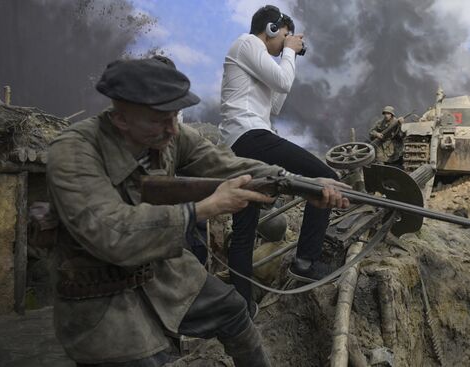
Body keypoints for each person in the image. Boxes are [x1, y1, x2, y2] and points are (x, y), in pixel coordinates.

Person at [46, 58, 348, 367]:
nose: (173, 128)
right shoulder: (73, 151)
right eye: (160, 119)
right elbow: (112, 233)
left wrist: (297, 183)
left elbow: (228, 165)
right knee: (145, 358)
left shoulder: (170, 136)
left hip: (164, 273)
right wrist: (206, 208)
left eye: (176, 115)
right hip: (100, 295)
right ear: (121, 118)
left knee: (233, 311)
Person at [218, 5, 341, 314]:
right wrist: (288, 51)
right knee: (324, 177)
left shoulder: (257, 59)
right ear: (271, 29)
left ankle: (242, 305)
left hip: (242, 140)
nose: (287, 41)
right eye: (284, 34)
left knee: (244, 228)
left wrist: (288, 57)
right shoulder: (248, 43)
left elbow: (275, 105)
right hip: (250, 136)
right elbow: (283, 82)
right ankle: (305, 261)